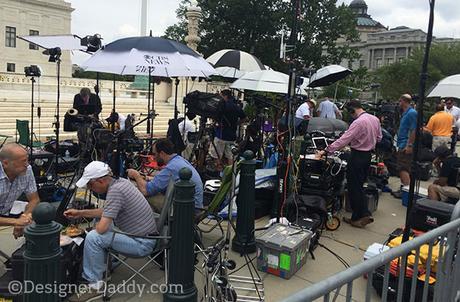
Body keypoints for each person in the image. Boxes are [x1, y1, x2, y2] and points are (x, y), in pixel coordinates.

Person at [65, 161, 157, 302]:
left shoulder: (115, 191)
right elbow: (108, 211)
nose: (90, 189)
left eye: (90, 185)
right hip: (146, 236)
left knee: (93, 237)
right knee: (100, 224)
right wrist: (80, 213)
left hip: (142, 243)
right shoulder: (121, 183)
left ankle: (95, 286)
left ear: (100, 181)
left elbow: (101, 229)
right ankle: (104, 268)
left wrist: (88, 230)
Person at [320, 100, 382, 228]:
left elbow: (344, 139)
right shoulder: (374, 119)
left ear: (352, 110)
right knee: (360, 185)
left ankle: (363, 214)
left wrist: (327, 150)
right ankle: (358, 216)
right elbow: (379, 137)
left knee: (354, 186)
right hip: (368, 155)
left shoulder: (358, 122)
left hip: (357, 155)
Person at [127, 138, 203, 211]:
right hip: (195, 206)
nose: (153, 157)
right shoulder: (178, 160)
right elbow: (170, 180)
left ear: (162, 153)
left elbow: (146, 191)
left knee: (139, 194)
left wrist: (136, 175)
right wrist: (147, 178)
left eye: (154, 154)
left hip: (186, 210)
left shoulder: (171, 167)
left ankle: (146, 222)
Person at [0, 143, 39, 238]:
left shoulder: (27, 170)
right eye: (23, 161)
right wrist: (16, 222)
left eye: (27, 160)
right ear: (5, 163)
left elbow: (34, 199)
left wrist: (26, 216)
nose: (27, 164)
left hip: (6, 214)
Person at [210, 89, 246, 167]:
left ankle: (218, 172)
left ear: (225, 96)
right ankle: (230, 175)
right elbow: (244, 118)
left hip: (221, 135)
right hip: (232, 136)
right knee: (230, 157)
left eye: (221, 96)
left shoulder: (222, 106)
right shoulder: (236, 106)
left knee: (217, 155)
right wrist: (236, 124)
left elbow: (216, 118)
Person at [392, 94, 417, 198]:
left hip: (406, 144)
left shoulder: (412, 113)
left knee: (404, 168)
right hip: (401, 143)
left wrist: (410, 145)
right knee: (401, 167)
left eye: (400, 101)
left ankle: (406, 191)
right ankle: (404, 188)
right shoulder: (405, 113)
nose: (399, 103)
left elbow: (414, 130)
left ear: (403, 101)